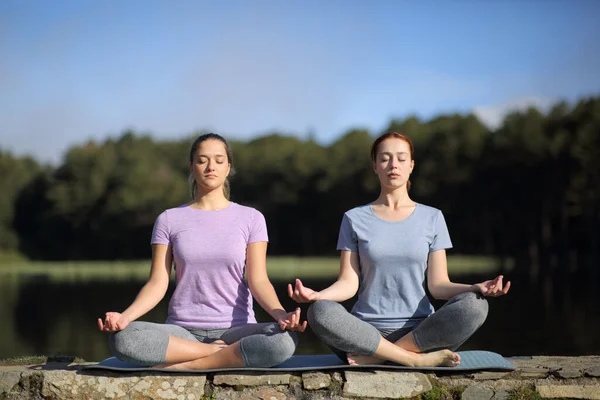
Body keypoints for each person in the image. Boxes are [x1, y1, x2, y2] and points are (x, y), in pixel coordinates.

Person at [288, 132, 510, 367]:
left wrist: (476, 287)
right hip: (363, 335)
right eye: (385, 158)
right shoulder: (354, 218)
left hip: (424, 334)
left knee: (476, 304)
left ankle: (384, 356)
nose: (393, 165)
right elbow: (348, 284)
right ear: (375, 166)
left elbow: (439, 286)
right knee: (319, 312)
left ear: (411, 165)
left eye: (401, 158)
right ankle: (412, 361)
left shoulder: (432, 217)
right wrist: (317, 296)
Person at [98, 133, 306, 370]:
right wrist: (125, 317)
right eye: (202, 160)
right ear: (191, 167)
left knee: (284, 341)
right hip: (182, 332)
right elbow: (157, 283)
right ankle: (214, 355)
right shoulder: (169, 219)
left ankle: (187, 366)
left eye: (219, 160)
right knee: (123, 338)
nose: (210, 167)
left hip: (236, 330)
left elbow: (259, 280)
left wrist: (280, 315)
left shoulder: (251, 218)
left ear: (228, 167)